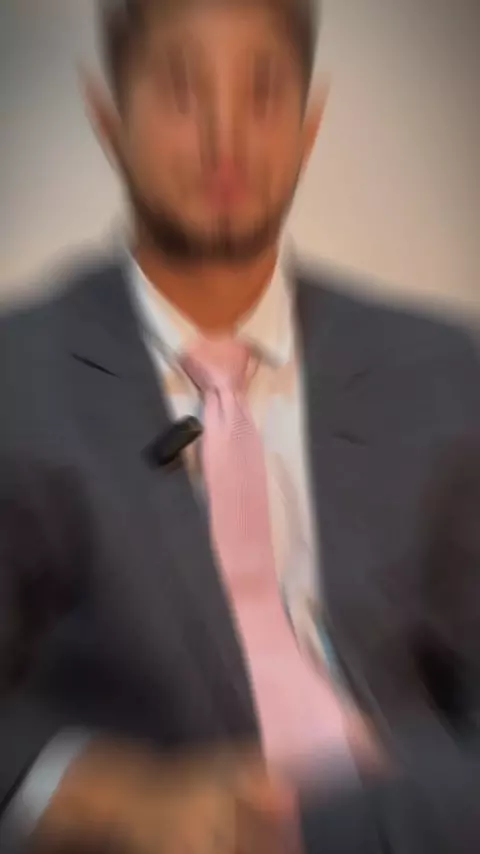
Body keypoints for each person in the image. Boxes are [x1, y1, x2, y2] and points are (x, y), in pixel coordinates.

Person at [1, 0, 480, 852]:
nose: (226, 139)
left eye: (262, 94)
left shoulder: (443, 371)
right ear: (108, 119)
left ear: (309, 124)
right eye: (184, 92)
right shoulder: (20, 380)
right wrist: (108, 799)